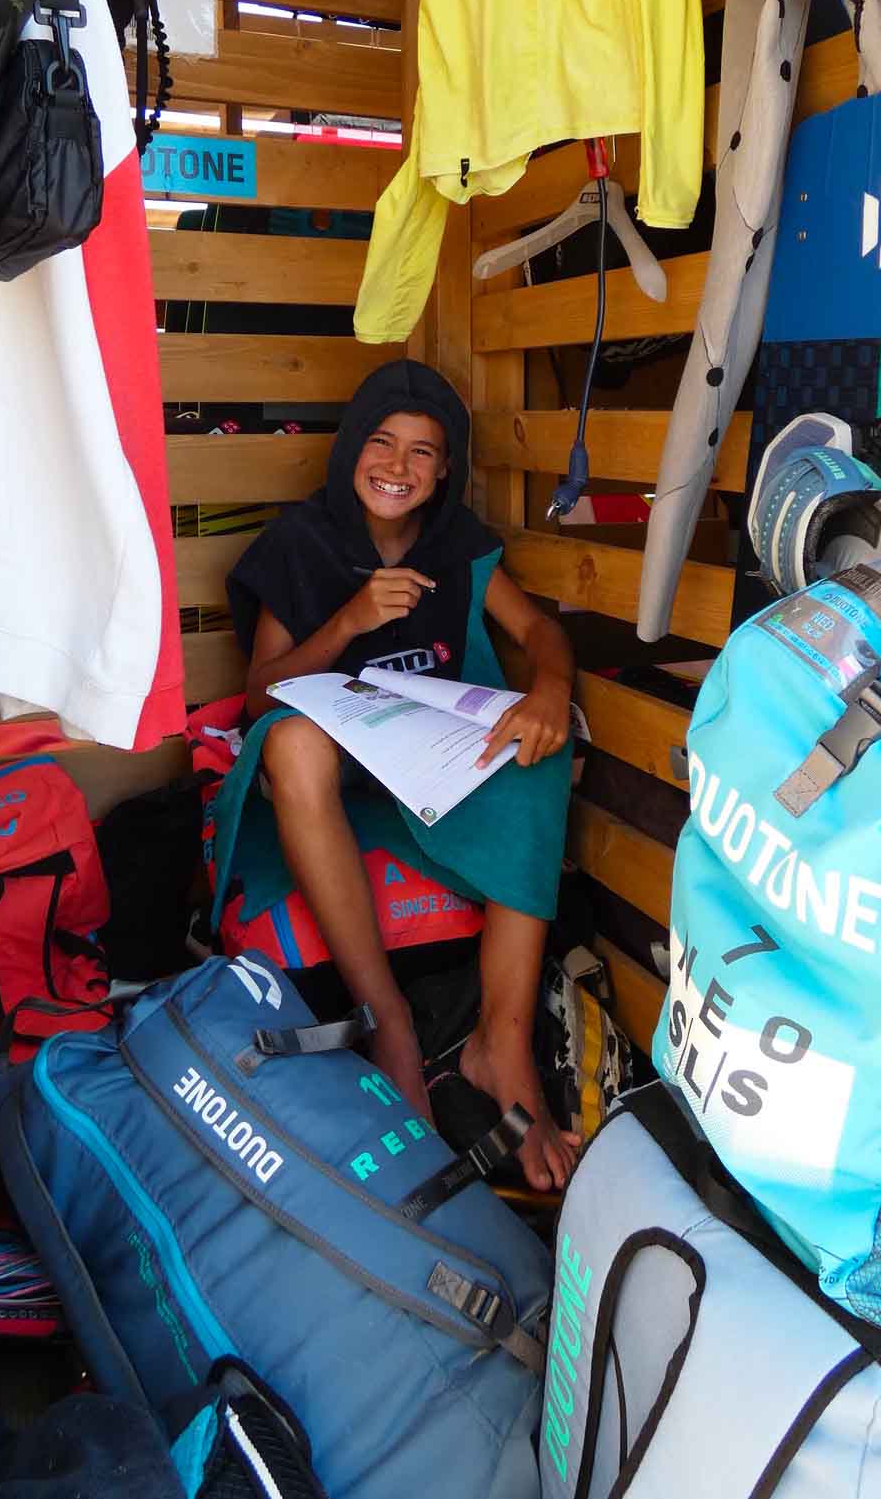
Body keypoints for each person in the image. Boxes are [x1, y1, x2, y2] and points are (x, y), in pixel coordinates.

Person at [219, 360, 578, 1190]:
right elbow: (256, 693)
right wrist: (350, 619)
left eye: (423, 451)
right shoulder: (302, 543)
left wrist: (550, 690)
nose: (398, 466)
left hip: (425, 763)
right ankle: (388, 1023)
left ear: (444, 467)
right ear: (351, 448)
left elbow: (537, 631)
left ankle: (502, 1046)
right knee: (292, 741)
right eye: (381, 443)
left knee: (535, 750)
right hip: (330, 773)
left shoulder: (458, 545)